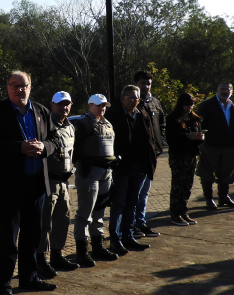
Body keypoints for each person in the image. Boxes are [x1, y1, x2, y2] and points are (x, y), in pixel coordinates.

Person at [0, 71, 58, 295]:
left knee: (32, 236)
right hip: (9, 187)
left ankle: (29, 277)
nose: (18, 90)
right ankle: (3, 287)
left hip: (37, 185)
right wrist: (20, 147)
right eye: (13, 86)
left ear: (30, 86)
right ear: (7, 88)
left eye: (22, 85)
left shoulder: (43, 112)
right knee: (8, 239)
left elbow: (55, 139)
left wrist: (43, 147)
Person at [106, 85, 157, 256]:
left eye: (135, 97)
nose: (132, 100)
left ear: (139, 100)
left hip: (140, 167)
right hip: (121, 168)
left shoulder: (143, 115)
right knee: (119, 203)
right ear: (121, 99)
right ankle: (115, 240)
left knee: (132, 203)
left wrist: (150, 162)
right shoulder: (113, 116)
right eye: (128, 97)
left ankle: (128, 236)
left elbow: (150, 140)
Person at [35, 91, 80, 278]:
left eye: (68, 104)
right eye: (61, 104)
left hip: (64, 181)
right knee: (45, 223)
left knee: (63, 219)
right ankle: (41, 259)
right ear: (51, 105)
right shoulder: (46, 125)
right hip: (48, 180)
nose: (65, 107)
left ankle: (57, 254)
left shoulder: (70, 127)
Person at [71, 94, 119, 268]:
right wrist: (80, 165)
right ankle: (81, 252)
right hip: (89, 173)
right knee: (85, 213)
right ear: (90, 105)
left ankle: (97, 247)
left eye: (104, 105)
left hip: (106, 172)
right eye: (98, 105)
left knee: (99, 212)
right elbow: (73, 149)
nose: (102, 108)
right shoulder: (83, 124)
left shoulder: (107, 123)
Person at [195, 82, 234, 210]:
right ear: (217, 89)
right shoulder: (207, 105)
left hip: (229, 146)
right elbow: (198, 123)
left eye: (228, 89)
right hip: (211, 145)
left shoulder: (233, 106)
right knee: (207, 173)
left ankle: (223, 197)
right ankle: (209, 199)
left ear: (232, 91)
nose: (225, 91)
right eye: (222, 89)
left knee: (226, 173)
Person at [133, 70, 166, 238]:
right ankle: (132, 225)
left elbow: (162, 124)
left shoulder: (155, 102)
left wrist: (159, 145)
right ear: (136, 84)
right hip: (137, 156)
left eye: (148, 84)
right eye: (142, 83)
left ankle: (141, 222)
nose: (146, 86)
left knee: (144, 192)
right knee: (135, 192)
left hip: (152, 155)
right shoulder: (132, 103)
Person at [165, 93, 205, 226]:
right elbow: (171, 140)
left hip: (191, 156)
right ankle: (175, 214)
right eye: (186, 105)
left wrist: (199, 138)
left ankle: (183, 211)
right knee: (178, 185)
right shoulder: (172, 119)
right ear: (181, 104)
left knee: (188, 185)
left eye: (191, 105)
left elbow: (196, 136)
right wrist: (187, 136)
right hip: (178, 156)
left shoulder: (194, 119)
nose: (189, 107)